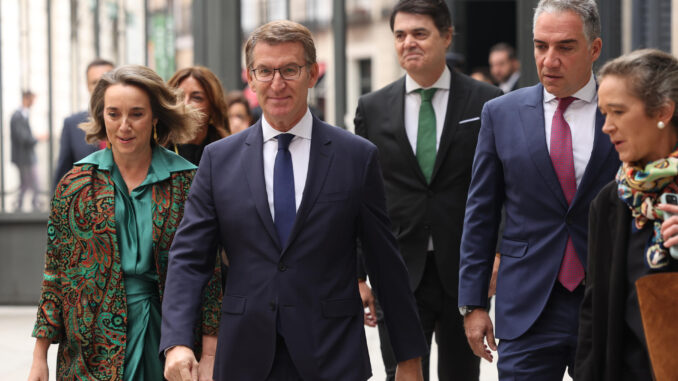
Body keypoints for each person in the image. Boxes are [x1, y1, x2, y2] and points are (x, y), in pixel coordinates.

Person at [161, 20, 428, 381]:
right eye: (265, 71)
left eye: (290, 69)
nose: (277, 83)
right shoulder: (218, 159)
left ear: (312, 74)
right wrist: (177, 340)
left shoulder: (356, 157)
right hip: (245, 355)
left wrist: (408, 357)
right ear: (250, 79)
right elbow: (189, 257)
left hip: (332, 354)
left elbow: (385, 262)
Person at [458, 0, 620, 379]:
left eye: (565, 47)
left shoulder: (620, 110)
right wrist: (473, 303)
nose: (549, 60)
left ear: (594, 49)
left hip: (605, 299)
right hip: (526, 306)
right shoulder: (501, 113)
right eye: (540, 46)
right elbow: (480, 212)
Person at [28, 65, 222, 381]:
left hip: (167, 339)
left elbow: (209, 275)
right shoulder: (75, 183)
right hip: (89, 347)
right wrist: (39, 356)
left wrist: (210, 355)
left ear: (155, 116)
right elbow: (55, 274)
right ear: (101, 117)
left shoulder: (187, 181)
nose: (124, 126)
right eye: (114, 114)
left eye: (136, 114)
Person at [354, 0, 502, 380]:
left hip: (464, 272)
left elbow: (502, 187)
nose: (408, 43)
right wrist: (357, 275)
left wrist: (498, 251)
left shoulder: (487, 103)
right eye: (400, 35)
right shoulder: (371, 108)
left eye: (420, 34)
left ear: (447, 36)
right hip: (397, 270)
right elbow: (359, 198)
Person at [575, 48, 678, 381]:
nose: (606, 127)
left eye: (617, 112)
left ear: (663, 110)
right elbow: (594, 312)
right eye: (604, 113)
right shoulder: (612, 201)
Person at [53, 59, 114, 190]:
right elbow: (63, 178)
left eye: (106, 81)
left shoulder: (132, 122)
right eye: (95, 82)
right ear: (87, 86)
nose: (101, 87)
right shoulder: (72, 125)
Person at [167, 66, 230, 165]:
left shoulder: (228, 153)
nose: (185, 104)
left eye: (196, 98)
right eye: (178, 96)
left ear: (213, 108)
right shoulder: (155, 153)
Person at [10, 90, 44, 212]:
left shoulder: (23, 114)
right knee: (33, 183)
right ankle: (33, 206)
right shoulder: (17, 116)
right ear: (26, 99)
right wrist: (37, 138)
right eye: (32, 100)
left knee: (25, 184)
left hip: (26, 157)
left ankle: (20, 205)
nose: (33, 102)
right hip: (23, 157)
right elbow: (22, 137)